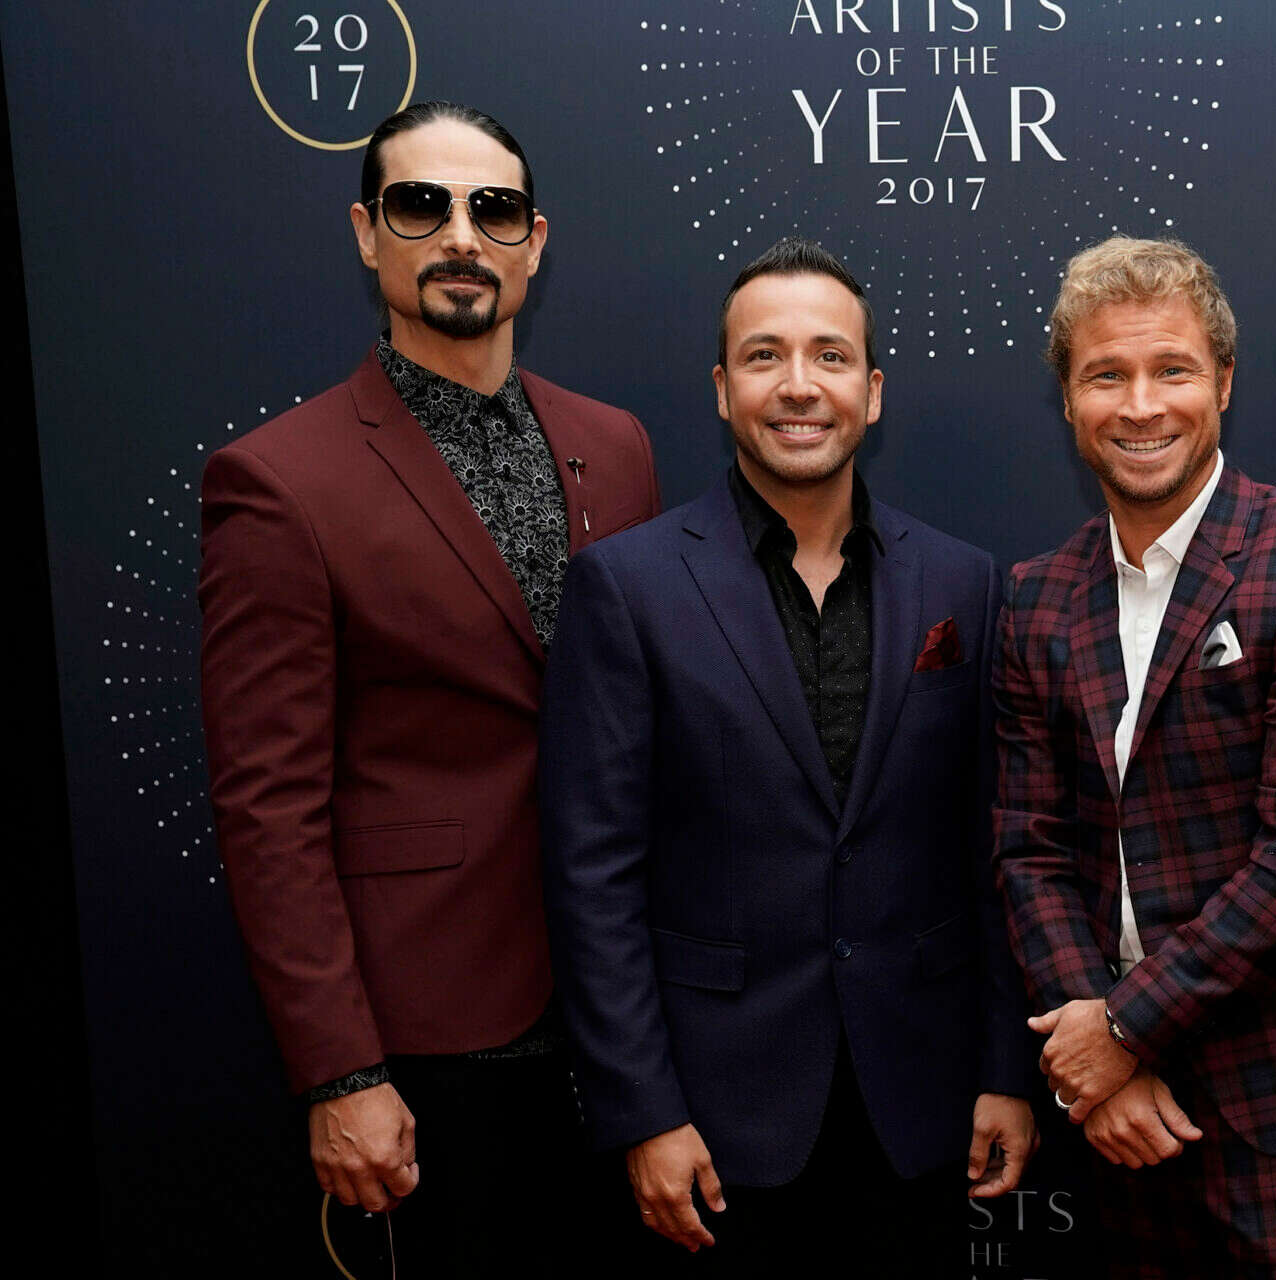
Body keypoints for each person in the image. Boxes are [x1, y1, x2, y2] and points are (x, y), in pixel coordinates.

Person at [197, 101, 660, 1274]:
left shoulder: (616, 446)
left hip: (627, 1015)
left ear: (533, 243)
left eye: (493, 210)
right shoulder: (277, 481)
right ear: (368, 233)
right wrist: (340, 1070)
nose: (460, 235)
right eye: (421, 204)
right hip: (433, 1031)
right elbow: (268, 807)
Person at [539, 237, 1040, 1272]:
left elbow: (993, 850)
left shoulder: (964, 581)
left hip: (921, 1105)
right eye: (764, 356)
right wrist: (643, 1109)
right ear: (723, 390)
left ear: (873, 392)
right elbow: (592, 877)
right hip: (713, 1116)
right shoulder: (625, 587)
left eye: (830, 356)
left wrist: (1006, 1069)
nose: (799, 385)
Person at [994, 236, 1276, 1278]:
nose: (1141, 405)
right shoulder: (1036, 597)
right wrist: (1093, 1059)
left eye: (1172, 370)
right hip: (1116, 1119)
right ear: (1068, 400)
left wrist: (1121, 1032)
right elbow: (1030, 849)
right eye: (1107, 375)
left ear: (1224, 382)